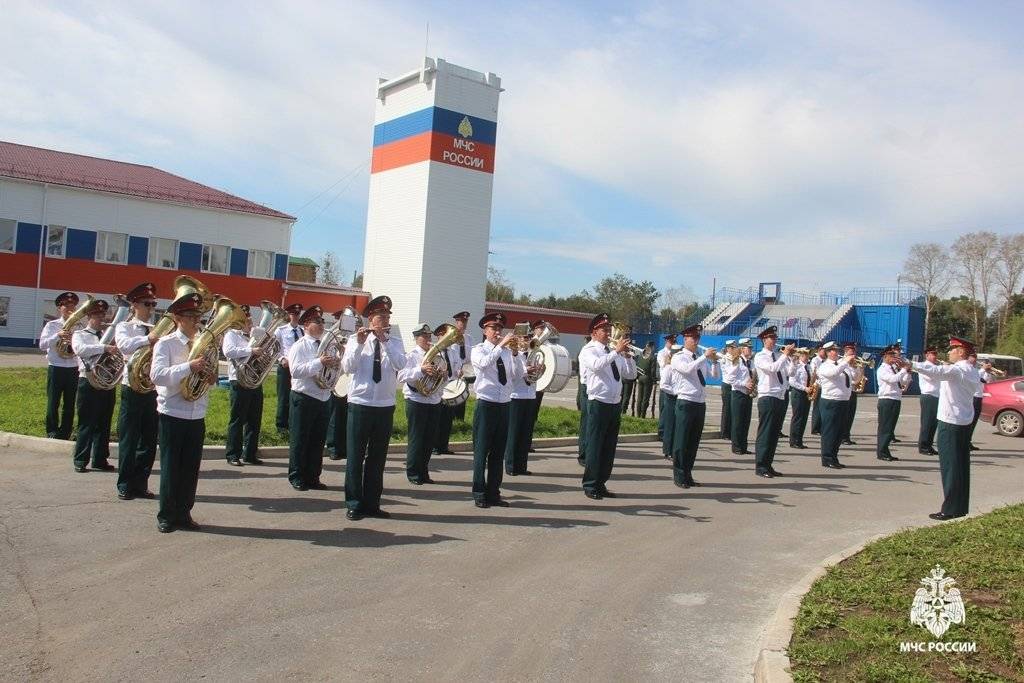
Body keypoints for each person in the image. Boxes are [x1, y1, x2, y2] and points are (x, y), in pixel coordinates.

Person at [150, 292, 214, 533]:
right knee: (171, 467)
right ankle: (166, 515)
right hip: (172, 412)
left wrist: (209, 376)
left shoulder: (204, 344)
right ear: (177, 317)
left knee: (190, 468)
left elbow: (210, 377)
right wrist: (189, 366)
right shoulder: (166, 344)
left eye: (198, 316)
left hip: (196, 413)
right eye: (190, 316)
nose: (196, 321)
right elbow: (157, 376)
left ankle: (184, 512)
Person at [342, 296, 406, 520]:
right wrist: (359, 344)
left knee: (377, 458)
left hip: (385, 405)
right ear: (371, 319)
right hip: (361, 404)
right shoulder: (355, 340)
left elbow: (401, 365)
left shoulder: (395, 342)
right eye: (381, 317)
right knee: (355, 456)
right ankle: (354, 503)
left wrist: (385, 341)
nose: (385, 320)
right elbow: (348, 366)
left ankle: (372, 503)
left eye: (388, 317)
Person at [910, 338, 982, 520]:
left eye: (952, 349)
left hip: (950, 423)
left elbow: (935, 371)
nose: (948, 353)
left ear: (961, 351)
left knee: (950, 467)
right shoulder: (972, 370)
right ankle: (959, 506)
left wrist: (910, 364)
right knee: (960, 467)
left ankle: (950, 509)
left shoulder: (957, 370)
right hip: (962, 422)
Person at [580, 314, 636, 499]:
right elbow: (596, 366)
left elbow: (630, 375)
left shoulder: (613, 351)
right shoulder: (589, 350)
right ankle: (590, 485)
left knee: (609, 447)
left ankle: (601, 483)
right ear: (594, 332)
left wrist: (627, 357)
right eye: (604, 330)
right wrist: (616, 352)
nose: (609, 333)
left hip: (613, 403)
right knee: (595, 445)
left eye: (609, 329)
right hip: (598, 401)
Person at [114, 282, 160, 499]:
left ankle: (141, 483)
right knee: (129, 438)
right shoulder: (125, 327)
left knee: (149, 440)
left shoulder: (156, 329)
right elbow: (123, 346)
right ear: (134, 305)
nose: (151, 308)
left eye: (153, 304)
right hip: (131, 387)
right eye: (147, 304)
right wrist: (147, 340)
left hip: (151, 388)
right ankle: (125, 483)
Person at [471, 312, 522, 507]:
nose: (498, 331)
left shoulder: (508, 352)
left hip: (504, 404)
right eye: (493, 328)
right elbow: (484, 365)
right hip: (486, 403)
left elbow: (517, 375)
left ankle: (494, 492)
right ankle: (478, 492)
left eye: (500, 328)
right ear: (485, 330)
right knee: (482, 450)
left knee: (498, 452)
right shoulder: (479, 350)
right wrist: (501, 346)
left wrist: (516, 354)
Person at [285, 305, 335, 491]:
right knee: (300, 439)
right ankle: (296, 476)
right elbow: (295, 371)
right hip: (304, 397)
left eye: (323, 321)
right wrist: (319, 362)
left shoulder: (327, 345)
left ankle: (313, 476)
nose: (322, 325)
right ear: (306, 325)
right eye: (318, 322)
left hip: (323, 397)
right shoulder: (300, 346)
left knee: (317, 440)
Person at [70, 299, 117, 473]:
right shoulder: (80, 334)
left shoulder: (108, 335)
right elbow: (80, 350)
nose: (101, 318)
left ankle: (100, 459)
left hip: (106, 382)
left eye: (103, 315)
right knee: (86, 423)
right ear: (89, 316)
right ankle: (80, 460)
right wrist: (104, 347)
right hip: (88, 381)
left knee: (104, 423)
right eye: (97, 315)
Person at [670, 324, 718, 488]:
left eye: (698, 338)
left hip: (699, 402)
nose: (697, 341)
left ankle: (688, 474)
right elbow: (687, 370)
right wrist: (704, 357)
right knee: (682, 441)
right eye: (694, 338)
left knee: (693, 442)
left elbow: (713, 376)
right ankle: (679, 476)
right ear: (685, 339)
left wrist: (714, 362)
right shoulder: (679, 357)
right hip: (686, 401)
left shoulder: (699, 358)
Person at [398, 324, 445, 485]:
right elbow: (402, 375)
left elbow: (440, 379)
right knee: (417, 438)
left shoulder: (437, 356)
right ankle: (413, 472)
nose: (428, 339)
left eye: (429, 336)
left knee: (429, 439)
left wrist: (442, 374)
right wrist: (420, 369)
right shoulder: (411, 355)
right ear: (416, 338)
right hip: (416, 399)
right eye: (424, 337)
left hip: (433, 399)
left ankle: (424, 471)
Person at [222, 304, 265, 467]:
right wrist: (251, 350)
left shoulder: (254, 335)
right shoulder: (231, 335)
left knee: (255, 419)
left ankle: (250, 454)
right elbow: (229, 351)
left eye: (249, 318)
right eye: (245, 318)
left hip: (255, 380)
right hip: (239, 380)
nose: (249, 321)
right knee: (237, 419)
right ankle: (233, 454)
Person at [39, 291, 80, 440]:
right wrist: (58, 335)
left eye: (72, 305)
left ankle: (66, 431)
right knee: (53, 401)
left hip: (73, 367)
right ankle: (52, 430)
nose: (70, 308)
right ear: (59, 308)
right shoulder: (52, 325)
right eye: (66, 305)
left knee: (70, 403)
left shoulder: (79, 326)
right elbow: (42, 345)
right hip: (56, 367)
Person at [753, 326, 792, 478]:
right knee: (765, 433)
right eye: (772, 338)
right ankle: (761, 466)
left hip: (780, 397)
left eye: (775, 338)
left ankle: (768, 464)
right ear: (764, 340)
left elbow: (790, 373)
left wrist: (791, 359)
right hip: (767, 397)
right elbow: (772, 369)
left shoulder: (778, 356)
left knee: (774, 434)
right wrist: (785, 356)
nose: (775, 340)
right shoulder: (760, 356)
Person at [434, 311, 471, 454]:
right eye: (443, 336)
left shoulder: (452, 352)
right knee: (438, 419)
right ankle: (435, 446)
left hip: (450, 387)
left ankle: (444, 446)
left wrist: (458, 372)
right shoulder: (436, 351)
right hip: (439, 388)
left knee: (447, 420)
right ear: (438, 336)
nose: (446, 338)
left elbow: (456, 366)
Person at [506, 325, 540, 476]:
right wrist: (528, 370)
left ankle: (522, 466)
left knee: (525, 434)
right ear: (517, 339)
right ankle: (511, 466)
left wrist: (541, 369)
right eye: (523, 338)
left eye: (528, 338)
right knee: (514, 433)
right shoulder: (512, 355)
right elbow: (513, 375)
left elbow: (537, 377)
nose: (525, 341)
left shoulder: (535, 355)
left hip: (530, 395)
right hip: (516, 396)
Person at [815, 342, 852, 469]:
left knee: (839, 432)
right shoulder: (825, 366)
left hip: (843, 400)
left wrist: (856, 367)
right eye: (832, 350)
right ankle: (827, 458)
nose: (836, 352)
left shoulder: (842, 365)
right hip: (831, 401)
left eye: (836, 350)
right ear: (827, 352)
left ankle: (834, 457)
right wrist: (845, 361)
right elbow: (834, 373)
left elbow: (853, 378)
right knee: (830, 431)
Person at [875, 344, 910, 462]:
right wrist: (903, 369)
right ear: (885, 356)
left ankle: (885, 450)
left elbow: (903, 381)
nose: (894, 357)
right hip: (887, 399)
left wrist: (907, 372)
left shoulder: (894, 368)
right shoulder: (882, 369)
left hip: (895, 399)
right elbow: (892, 379)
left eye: (894, 354)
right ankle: (882, 452)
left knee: (890, 428)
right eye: (891, 355)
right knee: (885, 427)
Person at [273, 303, 304, 433]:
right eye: (294, 314)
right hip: (285, 367)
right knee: (284, 396)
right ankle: (281, 425)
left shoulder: (302, 331)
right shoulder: (280, 330)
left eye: (298, 314)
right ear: (289, 315)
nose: (296, 317)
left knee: (296, 396)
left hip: (298, 368)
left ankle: (293, 423)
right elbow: (274, 348)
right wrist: (281, 359)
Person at [326, 309, 352, 461]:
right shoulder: (331, 336)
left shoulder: (353, 337)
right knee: (335, 415)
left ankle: (345, 446)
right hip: (335, 378)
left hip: (349, 379)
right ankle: (334, 447)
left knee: (347, 415)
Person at [730, 338, 755, 455]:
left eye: (751, 348)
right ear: (742, 348)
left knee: (746, 421)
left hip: (747, 394)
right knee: (738, 421)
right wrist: (744, 384)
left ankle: (743, 446)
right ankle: (736, 447)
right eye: (748, 348)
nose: (750, 350)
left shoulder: (749, 362)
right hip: (738, 394)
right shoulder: (737, 361)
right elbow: (731, 379)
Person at [527, 319, 548, 451]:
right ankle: (525, 442)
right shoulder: (531, 342)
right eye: (540, 328)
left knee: (534, 414)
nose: (542, 330)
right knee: (528, 414)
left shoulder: (545, 344)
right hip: (528, 383)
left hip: (538, 382)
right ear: (535, 330)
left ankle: (528, 442)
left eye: (543, 328)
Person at [657, 333, 678, 460]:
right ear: (667, 341)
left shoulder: (676, 354)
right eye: (671, 341)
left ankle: (669, 441)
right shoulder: (661, 353)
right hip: (667, 388)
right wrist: (668, 358)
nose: (672, 343)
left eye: (674, 341)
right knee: (665, 413)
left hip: (674, 389)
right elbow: (662, 366)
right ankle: (662, 433)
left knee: (672, 418)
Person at [788, 348, 812, 449]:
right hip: (798, 393)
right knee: (797, 417)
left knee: (804, 417)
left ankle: (799, 440)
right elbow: (792, 381)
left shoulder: (809, 367)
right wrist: (804, 388)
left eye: (807, 355)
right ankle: (794, 441)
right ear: (800, 356)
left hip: (807, 393)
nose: (806, 357)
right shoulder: (797, 366)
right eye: (804, 355)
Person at [966, 352, 990, 451]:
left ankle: (968, 441)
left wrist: (987, 372)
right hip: (973, 397)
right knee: (970, 421)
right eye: (973, 357)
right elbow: (975, 378)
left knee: (974, 421)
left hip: (979, 397)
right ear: (968, 358)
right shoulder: (971, 370)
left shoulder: (978, 370)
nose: (975, 359)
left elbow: (985, 381)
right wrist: (983, 369)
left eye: (976, 357)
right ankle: (965, 441)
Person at [841, 342, 861, 445]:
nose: (853, 353)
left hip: (853, 391)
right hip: (844, 392)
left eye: (854, 351)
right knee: (844, 415)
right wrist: (854, 382)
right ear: (846, 351)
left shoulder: (854, 363)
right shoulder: (841, 362)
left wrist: (860, 369)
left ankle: (847, 436)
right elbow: (843, 377)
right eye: (851, 351)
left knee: (851, 415)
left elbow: (857, 377)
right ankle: (842, 437)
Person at [575, 335, 591, 466]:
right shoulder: (587, 350)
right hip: (588, 388)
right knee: (586, 423)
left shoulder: (606, 350)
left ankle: (590, 453)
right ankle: (583, 454)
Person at [719, 340, 737, 439]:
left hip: (733, 385)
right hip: (727, 385)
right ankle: (725, 432)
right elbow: (730, 372)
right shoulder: (724, 358)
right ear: (728, 348)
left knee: (732, 409)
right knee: (727, 408)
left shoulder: (734, 358)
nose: (734, 349)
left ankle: (730, 431)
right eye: (732, 348)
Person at [634, 341, 657, 418]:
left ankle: (638, 415)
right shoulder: (652, 357)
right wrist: (654, 380)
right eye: (654, 347)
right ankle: (642, 415)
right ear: (652, 347)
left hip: (640, 377)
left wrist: (637, 376)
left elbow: (637, 365)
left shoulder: (641, 355)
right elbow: (653, 371)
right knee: (645, 398)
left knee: (639, 397)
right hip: (648, 378)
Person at [809, 346, 826, 435]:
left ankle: (821, 427)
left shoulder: (826, 360)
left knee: (823, 407)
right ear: (819, 351)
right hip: (818, 385)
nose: (825, 353)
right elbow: (813, 372)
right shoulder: (815, 360)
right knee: (817, 408)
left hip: (825, 386)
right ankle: (815, 428)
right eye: (824, 351)